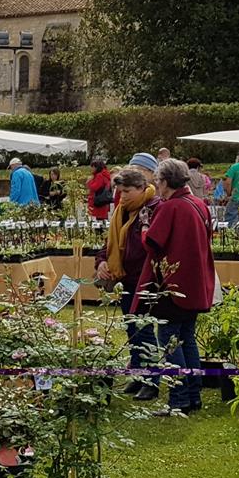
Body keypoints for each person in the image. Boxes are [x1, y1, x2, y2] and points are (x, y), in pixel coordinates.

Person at [139, 158, 216, 417]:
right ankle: (193, 396)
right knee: (187, 340)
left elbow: (153, 243)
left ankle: (179, 399)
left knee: (171, 342)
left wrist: (145, 226)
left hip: (174, 285)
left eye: (157, 181)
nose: (156, 186)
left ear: (165, 182)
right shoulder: (199, 203)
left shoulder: (171, 207)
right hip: (195, 283)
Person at [94, 166, 160, 400]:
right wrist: (102, 261)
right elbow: (109, 244)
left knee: (143, 329)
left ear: (142, 188)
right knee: (132, 330)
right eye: (120, 191)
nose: (122, 196)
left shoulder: (153, 209)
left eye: (127, 191)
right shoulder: (121, 211)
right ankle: (138, 375)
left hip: (143, 279)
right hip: (125, 280)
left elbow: (150, 248)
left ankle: (152, 380)